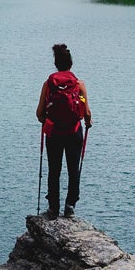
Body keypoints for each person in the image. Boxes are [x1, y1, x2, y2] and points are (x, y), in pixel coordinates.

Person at [36, 43, 92, 217]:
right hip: (74, 132)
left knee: (54, 170)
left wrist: (47, 120)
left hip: (54, 133)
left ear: (56, 64)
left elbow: (39, 113)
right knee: (73, 169)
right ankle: (70, 206)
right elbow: (87, 112)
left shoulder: (48, 84)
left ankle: (53, 208)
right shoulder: (79, 84)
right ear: (71, 64)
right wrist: (88, 123)